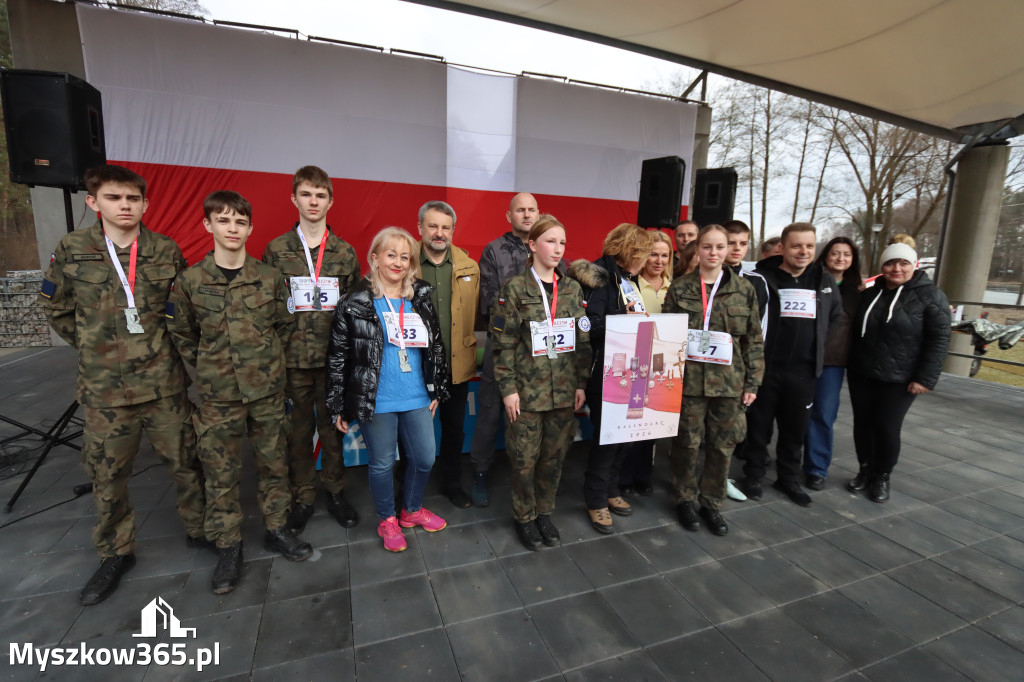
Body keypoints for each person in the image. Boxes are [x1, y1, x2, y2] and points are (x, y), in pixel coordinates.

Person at [38, 165, 207, 606]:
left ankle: (201, 529)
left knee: (188, 462)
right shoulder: (73, 249)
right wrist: (95, 346)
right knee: (107, 475)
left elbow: (181, 310)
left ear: (145, 203)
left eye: (133, 198)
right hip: (105, 390)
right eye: (114, 198)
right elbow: (56, 308)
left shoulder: (164, 250)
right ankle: (115, 552)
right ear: (93, 202)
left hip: (164, 382)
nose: (125, 206)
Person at [167, 191, 311, 595]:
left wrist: (266, 364)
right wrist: (211, 366)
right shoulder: (191, 281)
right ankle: (228, 545)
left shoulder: (269, 277)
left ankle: (277, 528)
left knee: (274, 464)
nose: (233, 228)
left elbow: (284, 325)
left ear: (250, 228)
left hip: (267, 392)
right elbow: (182, 333)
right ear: (208, 225)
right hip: (220, 396)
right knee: (221, 473)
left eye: (240, 222)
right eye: (224, 220)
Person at [326, 227, 450, 552]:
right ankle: (387, 519)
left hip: (416, 394)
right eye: (390, 254)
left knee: (424, 457)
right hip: (376, 397)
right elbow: (338, 356)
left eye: (404, 257)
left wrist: (436, 388)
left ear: (411, 263)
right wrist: (337, 404)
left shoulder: (419, 297)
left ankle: (411, 510)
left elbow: (436, 345)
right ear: (375, 258)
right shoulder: (355, 302)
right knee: (382, 463)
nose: (397, 262)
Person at [262, 166, 360, 534]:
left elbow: (355, 310)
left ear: (330, 201)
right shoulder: (276, 250)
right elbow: (270, 306)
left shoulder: (345, 252)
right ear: (294, 199)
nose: (313, 201)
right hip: (292, 361)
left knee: (333, 431)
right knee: (297, 434)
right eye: (306, 194)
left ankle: (335, 492)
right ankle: (303, 497)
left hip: (334, 361)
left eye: (320, 195)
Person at [491, 215, 590, 550]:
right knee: (524, 460)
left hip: (563, 392)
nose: (557, 249)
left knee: (554, 458)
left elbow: (582, 342)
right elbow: (503, 345)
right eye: (550, 241)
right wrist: (508, 389)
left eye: (562, 242)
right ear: (532, 245)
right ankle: (524, 516)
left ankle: (544, 512)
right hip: (527, 394)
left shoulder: (573, 289)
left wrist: (580, 383)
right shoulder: (514, 289)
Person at [664, 225, 764, 535]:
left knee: (722, 447)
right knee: (686, 444)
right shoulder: (680, 288)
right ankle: (684, 499)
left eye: (721, 247)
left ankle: (712, 503)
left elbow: (753, 340)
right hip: (689, 383)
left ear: (728, 250)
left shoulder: (744, 290)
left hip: (729, 384)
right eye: (707, 246)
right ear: (697, 249)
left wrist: (752, 383)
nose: (714, 253)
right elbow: (666, 337)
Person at [738, 223, 840, 507]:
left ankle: (788, 479)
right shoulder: (762, 278)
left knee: (795, 430)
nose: (803, 251)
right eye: (796, 246)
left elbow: (835, 315)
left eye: (809, 246)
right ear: (782, 248)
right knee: (759, 428)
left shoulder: (823, 280)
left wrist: (817, 341)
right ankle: (753, 476)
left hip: (803, 372)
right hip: (767, 369)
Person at [846, 242, 950, 502]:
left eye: (904, 263)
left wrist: (924, 378)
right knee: (863, 424)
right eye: (890, 263)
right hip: (863, 373)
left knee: (886, 426)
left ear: (914, 265)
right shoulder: (870, 294)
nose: (896, 269)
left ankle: (882, 475)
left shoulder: (931, 295)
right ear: (882, 266)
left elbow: (939, 339)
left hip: (900, 377)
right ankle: (865, 469)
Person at [570, 223, 652, 534]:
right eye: (644, 253)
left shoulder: (628, 279)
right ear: (631, 251)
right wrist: (623, 320)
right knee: (608, 438)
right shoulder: (600, 278)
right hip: (602, 372)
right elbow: (586, 326)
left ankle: (611, 488)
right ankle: (595, 498)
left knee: (626, 436)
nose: (647, 260)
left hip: (630, 370)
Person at [470, 192, 540, 507]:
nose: (526, 215)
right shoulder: (494, 250)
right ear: (509, 216)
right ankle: (480, 473)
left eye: (531, 210)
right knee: (490, 412)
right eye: (520, 210)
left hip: (538, 350)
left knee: (531, 414)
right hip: (502, 345)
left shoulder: (545, 246)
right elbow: (489, 301)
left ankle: (527, 476)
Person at [415, 200, 480, 508]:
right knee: (411, 432)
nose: (439, 233)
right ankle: (408, 488)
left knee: (454, 430)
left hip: (456, 363)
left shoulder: (470, 266)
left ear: (453, 230)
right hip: (416, 367)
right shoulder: (405, 263)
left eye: (445, 227)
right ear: (420, 228)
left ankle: (452, 484)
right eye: (433, 226)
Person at [803, 237, 862, 490]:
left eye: (846, 254)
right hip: (804, 356)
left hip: (833, 362)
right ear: (826, 255)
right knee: (796, 412)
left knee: (824, 414)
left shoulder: (858, 292)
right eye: (835, 253)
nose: (840, 258)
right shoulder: (810, 280)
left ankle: (816, 468)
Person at [619, 230, 672, 496]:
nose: (658, 261)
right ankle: (625, 476)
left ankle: (644, 474)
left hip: (664, 361)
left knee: (654, 420)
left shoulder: (675, 287)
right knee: (633, 420)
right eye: (653, 254)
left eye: (664, 255)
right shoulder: (630, 285)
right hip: (635, 358)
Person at [720, 219, 770, 497]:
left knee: (730, 429)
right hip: (701, 369)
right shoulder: (700, 277)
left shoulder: (756, 282)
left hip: (736, 371)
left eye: (743, 244)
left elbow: (759, 334)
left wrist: (753, 377)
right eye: (731, 243)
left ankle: (721, 479)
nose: (737, 249)